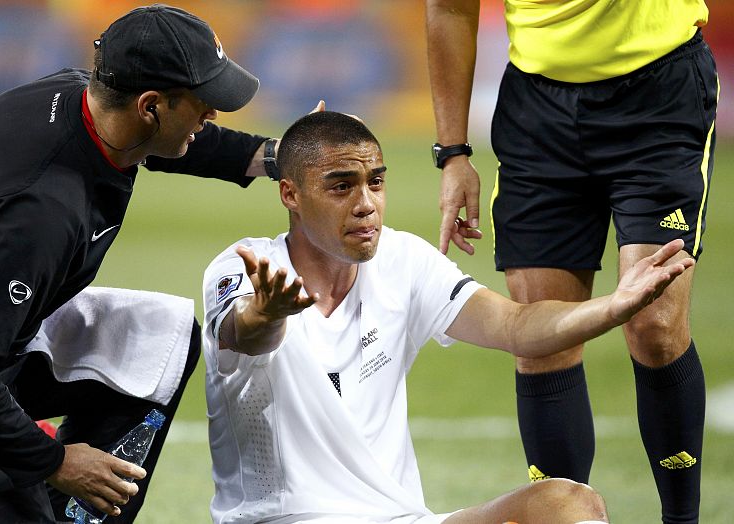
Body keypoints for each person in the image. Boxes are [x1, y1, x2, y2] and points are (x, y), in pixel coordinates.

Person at [200, 111, 696, 524]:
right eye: (341, 187)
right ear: (290, 194)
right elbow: (244, 333)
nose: (366, 205)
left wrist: (613, 306)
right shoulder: (246, 267)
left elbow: (515, 326)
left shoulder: (401, 259)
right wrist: (267, 315)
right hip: (283, 519)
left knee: (568, 505)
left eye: (376, 182)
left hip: (401, 519)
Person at [0, 4, 291, 523]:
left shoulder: (87, 102)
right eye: (203, 101)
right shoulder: (42, 211)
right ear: (150, 106)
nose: (212, 113)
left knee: (160, 339)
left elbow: (177, 141)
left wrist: (277, 156)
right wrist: (53, 461)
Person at [425, 2, 717, 522]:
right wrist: (453, 153)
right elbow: (449, 7)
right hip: (538, 110)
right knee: (542, 336)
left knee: (654, 325)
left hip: (658, 95)